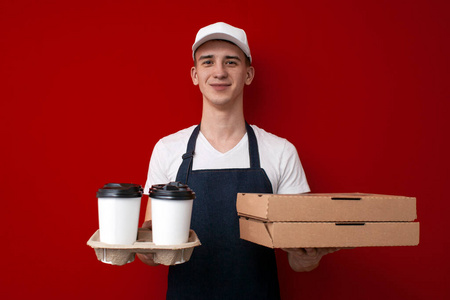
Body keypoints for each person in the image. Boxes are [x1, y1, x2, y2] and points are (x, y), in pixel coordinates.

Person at [137, 22, 339, 299]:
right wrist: (141, 246)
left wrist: (309, 256)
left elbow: (298, 259)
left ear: (248, 74)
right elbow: (155, 252)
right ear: (195, 75)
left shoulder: (281, 151)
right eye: (208, 62)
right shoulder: (167, 149)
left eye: (231, 62)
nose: (219, 72)